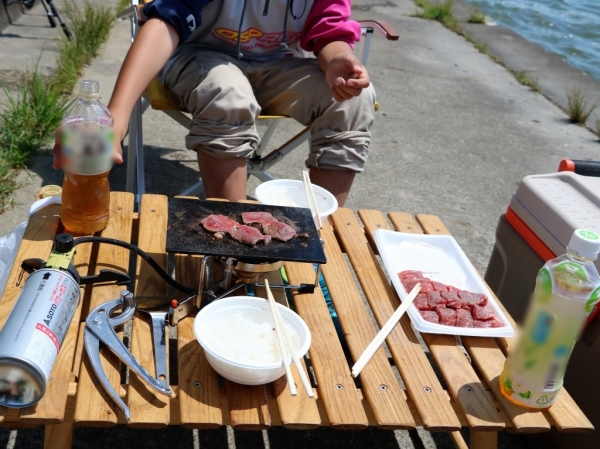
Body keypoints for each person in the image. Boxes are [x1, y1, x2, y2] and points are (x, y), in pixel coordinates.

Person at [54, 0, 376, 206]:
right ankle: (230, 243)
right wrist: (117, 117)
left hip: (278, 63)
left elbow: (328, 29)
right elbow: (165, 22)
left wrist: (336, 58)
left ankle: (316, 238)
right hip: (198, 58)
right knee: (228, 94)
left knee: (354, 101)